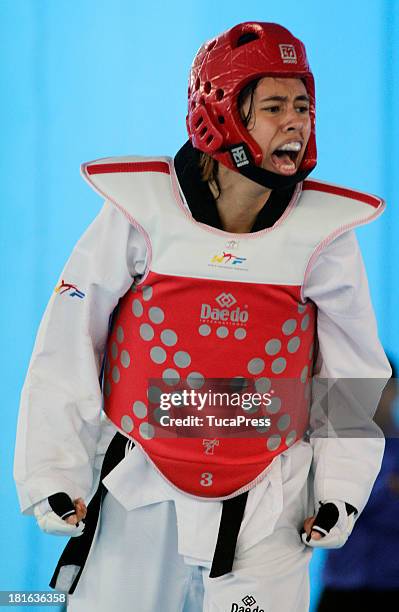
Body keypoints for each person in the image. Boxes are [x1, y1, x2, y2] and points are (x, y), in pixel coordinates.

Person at [14, 22, 391, 612]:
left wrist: (339, 492)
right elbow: (68, 343)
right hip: (139, 492)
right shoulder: (141, 213)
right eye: (274, 106)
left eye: (303, 105)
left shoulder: (324, 236)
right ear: (222, 113)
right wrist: (53, 474)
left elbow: (349, 367)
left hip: (270, 501)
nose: (296, 121)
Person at [317, 357, 399, 611]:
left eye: (378, 386)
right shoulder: (333, 445)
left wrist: (352, 494)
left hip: (390, 585)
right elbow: (324, 508)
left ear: (393, 390)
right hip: (341, 585)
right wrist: (386, 489)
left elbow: (347, 506)